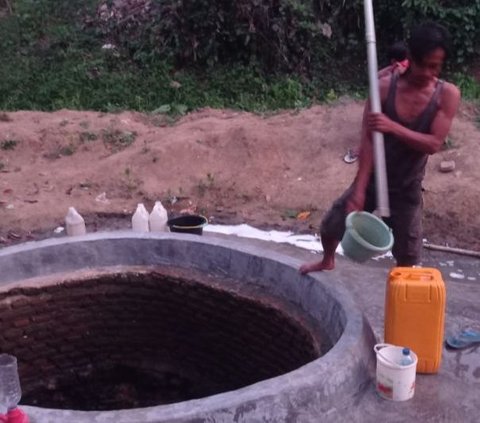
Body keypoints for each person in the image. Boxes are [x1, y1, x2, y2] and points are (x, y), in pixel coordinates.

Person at [301, 21, 461, 274]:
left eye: (437, 66)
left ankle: (401, 295)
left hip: (407, 186)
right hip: (375, 177)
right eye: (425, 65)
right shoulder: (383, 88)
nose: (431, 72)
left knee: (408, 254)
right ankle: (327, 260)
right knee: (332, 225)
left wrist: (392, 126)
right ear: (411, 58)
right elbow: (367, 139)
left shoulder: (446, 95)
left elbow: (433, 144)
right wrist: (360, 189)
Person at [345, 41, 410, 164]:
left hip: (402, 110)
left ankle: (364, 147)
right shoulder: (410, 67)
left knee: (372, 105)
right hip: (410, 109)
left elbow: (381, 78)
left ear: (392, 60)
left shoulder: (399, 72)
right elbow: (379, 75)